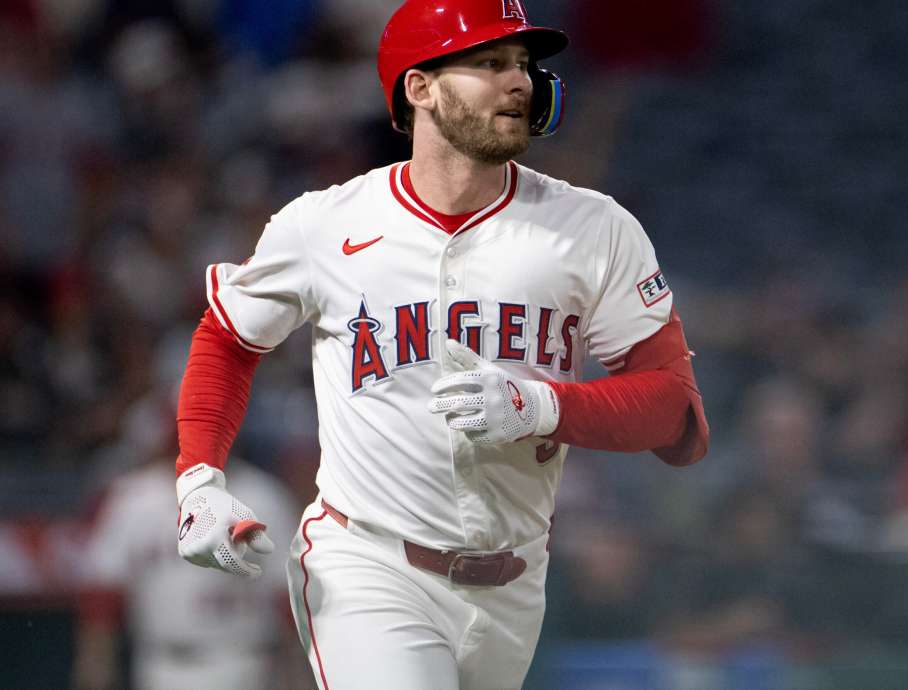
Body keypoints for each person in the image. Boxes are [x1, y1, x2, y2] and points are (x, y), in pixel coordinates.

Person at [171, 1, 710, 688]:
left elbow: (674, 412)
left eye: (523, 64)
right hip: (369, 564)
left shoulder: (593, 228)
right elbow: (227, 336)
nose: (518, 81)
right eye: (489, 62)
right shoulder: (324, 224)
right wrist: (199, 479)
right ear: (420, 88)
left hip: (515, 583)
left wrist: (542, 407)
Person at [74, 453, 302, 690]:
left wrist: (298, 675)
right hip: (161, 664)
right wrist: (95, 665)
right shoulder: (134, 498)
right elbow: (102, 598)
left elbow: (292, 599)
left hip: (244, 661)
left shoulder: (264, 496)